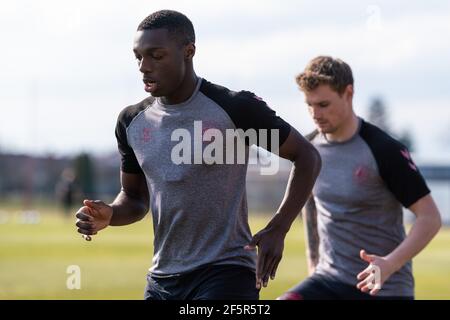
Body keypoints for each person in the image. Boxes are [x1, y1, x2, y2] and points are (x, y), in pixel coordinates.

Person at [75, 10, 321, 300]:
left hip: (227, 271)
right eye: (138, 57)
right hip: (162, 280)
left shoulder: (234, 108)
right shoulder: (131, 121)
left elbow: (307, 157)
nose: (144, 66)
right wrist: (111, 214)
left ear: (188, 51)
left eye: (156, 55)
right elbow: (135, 198)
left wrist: (278, 227)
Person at [278, 56, 442, 300]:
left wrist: (389, 263)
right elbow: (311, 205)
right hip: (328, 281)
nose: (315, 113)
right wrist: (314, 267)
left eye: (323, 104)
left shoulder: (384, 150)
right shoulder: (308, 149)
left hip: (384, 287)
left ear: (348, 93)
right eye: (309, 105)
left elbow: (430, 218)